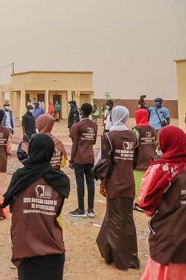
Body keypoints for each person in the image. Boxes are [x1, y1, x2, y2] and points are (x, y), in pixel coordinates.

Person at [1, 134, 70, 280]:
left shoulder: (20, 177)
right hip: (53, 249)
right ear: (51, 152)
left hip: (26, 247)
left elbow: (13, 208)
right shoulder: (60, 180)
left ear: (31, 150)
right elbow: (56, 211)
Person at [94, 106, 140, 270]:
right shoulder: (133, 136)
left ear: (113, 117)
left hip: (114, 182)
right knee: (127, 219)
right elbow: (135, 161)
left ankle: (119, 259)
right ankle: (131, 257)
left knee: (114, 219)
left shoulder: (108, 136)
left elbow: (105, 163)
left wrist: (103, 183)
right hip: (128, 181)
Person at [137, 126, 186, 280]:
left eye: (160, 140)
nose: (158, 144)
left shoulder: (160, 169)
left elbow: (146, 204)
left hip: (167, 237)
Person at [68, 103, 98, 218]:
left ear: (81, 111)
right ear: (90, 112)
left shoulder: (77, 126)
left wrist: (71, 160)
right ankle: (91, 209)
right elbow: (94, 142)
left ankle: (81, 209)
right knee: (90, 183)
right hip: (90, 157)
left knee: (80, 183)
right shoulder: (94, 125)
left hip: (79, 158)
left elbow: (74, 144)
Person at [132, 108, 157, 209]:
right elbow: (154, 143)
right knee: (149, 183)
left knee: (138, 182)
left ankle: (139, 203)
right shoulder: (152, 129)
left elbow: (133, 145)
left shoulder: (136, 129)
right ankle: (148, 202)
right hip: (151, 159)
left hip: (139, 160)